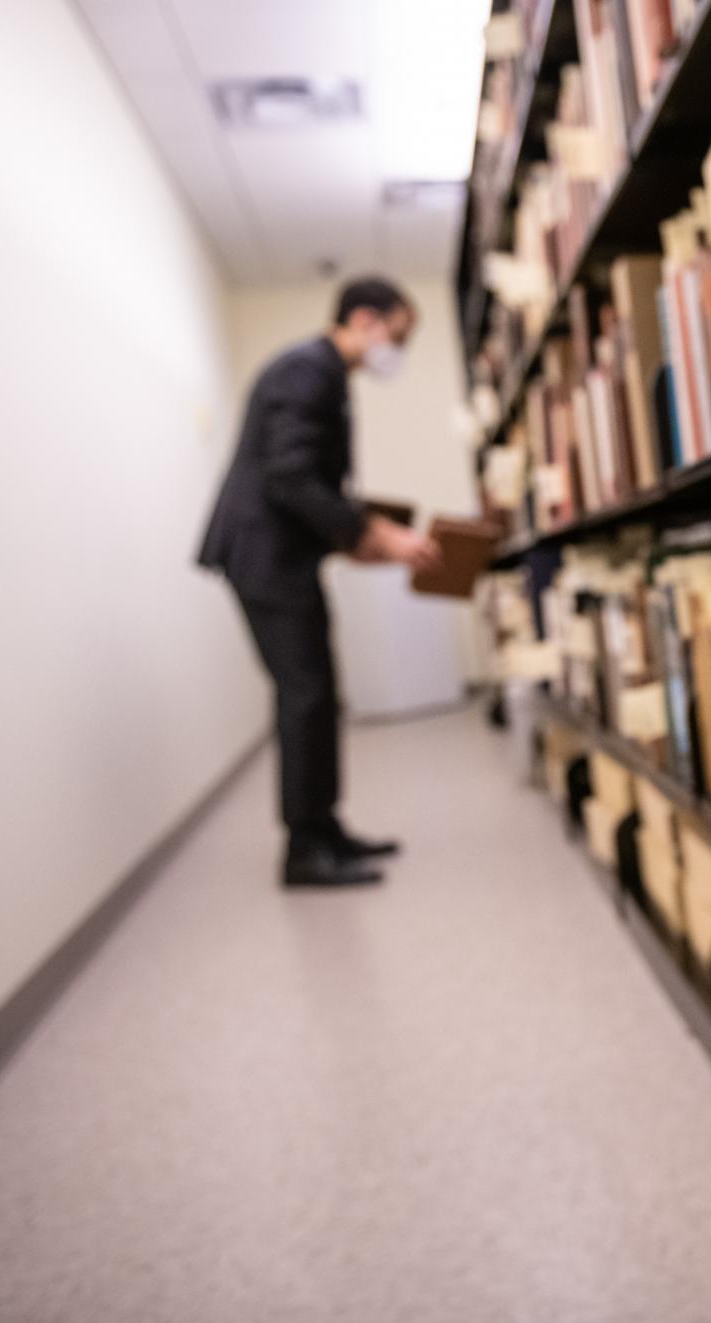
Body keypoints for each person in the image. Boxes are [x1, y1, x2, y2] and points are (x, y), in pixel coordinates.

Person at [197, 277, 440, 888]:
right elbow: (290, 475)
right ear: (365, 319)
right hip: (264, 555)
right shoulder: (306, 372)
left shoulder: (323, 376)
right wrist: (367, 536)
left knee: (317, 692)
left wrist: (362, 532)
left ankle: (324, 827)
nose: (398, 351)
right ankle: (305, 848)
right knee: (305, 694)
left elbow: (308, 483)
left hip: (284, 555)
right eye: (399, 335)